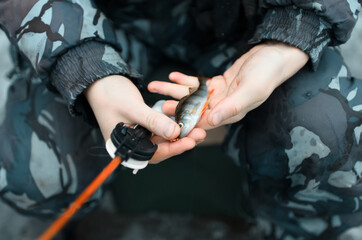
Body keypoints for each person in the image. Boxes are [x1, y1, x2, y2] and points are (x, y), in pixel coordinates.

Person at [0, 0, 361, 239]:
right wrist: (84, 66)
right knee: (31, 173)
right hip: (99, 27)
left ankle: (298, 225)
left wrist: (292, 35)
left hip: (252, 26)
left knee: (329, 130)